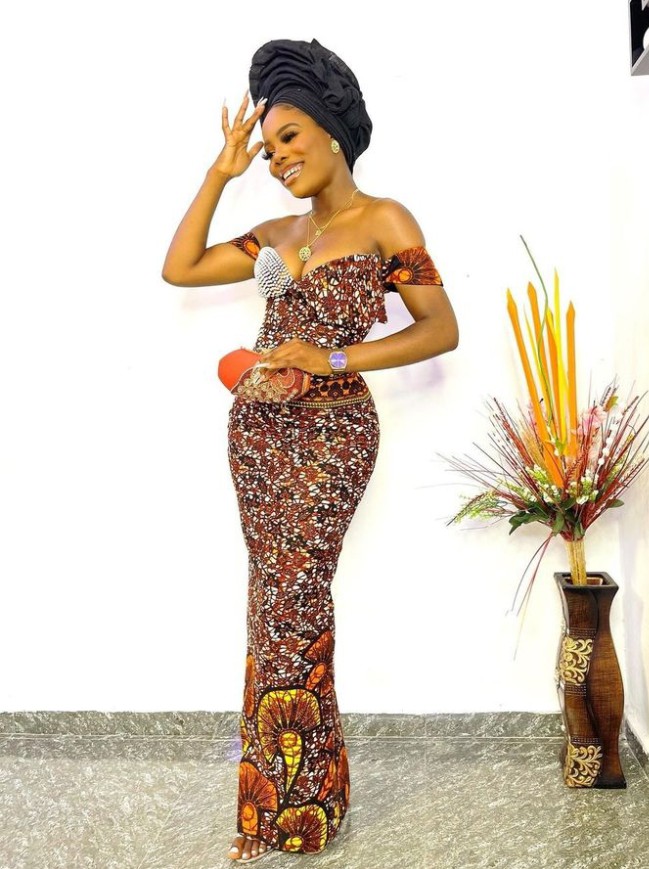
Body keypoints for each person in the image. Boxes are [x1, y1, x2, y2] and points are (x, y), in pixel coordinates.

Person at [162, 38, 459, 864]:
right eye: (266, 149)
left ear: (330, 130)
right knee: (273, 600)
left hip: (331, 434)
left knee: (295, 597)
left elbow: (439, 329)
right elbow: (179, 267)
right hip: (257, 435)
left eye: (287, 137)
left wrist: (329, 357)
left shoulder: (385, 221)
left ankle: (289, 812)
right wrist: (219, 173)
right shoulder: (274, 231)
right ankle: (293, 802)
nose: (276, 158)